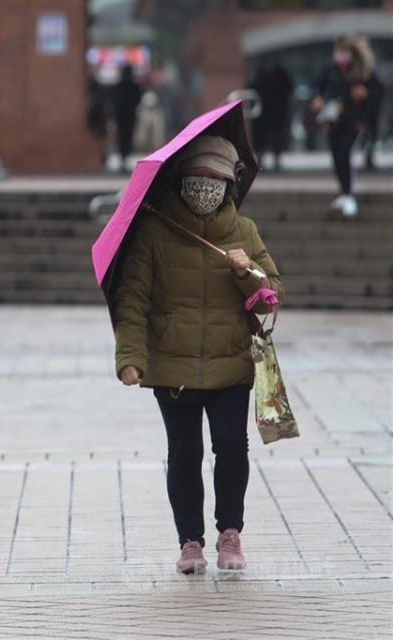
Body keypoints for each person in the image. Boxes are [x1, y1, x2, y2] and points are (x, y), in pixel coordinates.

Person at [113, 135, 283, 575]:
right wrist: (131, 357)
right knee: (184, 453)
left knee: (231, 449)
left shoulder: (244, 232)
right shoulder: (153, 231)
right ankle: (190, 540)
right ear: (181, 181)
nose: (204, 189)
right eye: (196, 179)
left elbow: (272, 298)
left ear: (229, 185)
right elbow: (132, 299)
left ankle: (230, 531)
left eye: (214, 181)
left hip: (231, 364)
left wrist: (248, 274)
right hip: (173, 364)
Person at [311, 35, 377, 218]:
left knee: (344, 153)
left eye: (343, 51)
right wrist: (318, 99)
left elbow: (376, 93)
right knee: (336, 156)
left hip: (353, 121)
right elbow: (318, 87)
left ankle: (348, 194)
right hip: (332, 120)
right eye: (338, 51)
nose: (339, 55)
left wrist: (365, 95)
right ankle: (343, 192)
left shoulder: (362, 71)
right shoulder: (330, 70)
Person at [112, 64, 143, 173]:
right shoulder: (134, 86)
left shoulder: (119, 86)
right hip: (129, 116)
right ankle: (124, 156)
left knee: (122, 137)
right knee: (127, 137)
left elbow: (113, 101)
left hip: (121, 116)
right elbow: (138, 99)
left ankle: (123, 157)